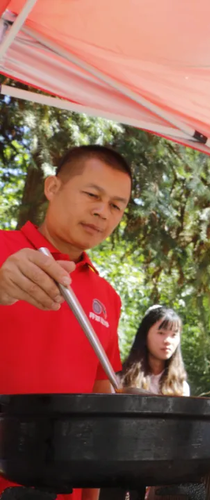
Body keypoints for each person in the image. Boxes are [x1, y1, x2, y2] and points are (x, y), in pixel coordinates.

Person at [0, 145, 132, 500]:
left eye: (116, 205)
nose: (102, 212)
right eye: (93, 194)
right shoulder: (4, 250)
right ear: (52, 188)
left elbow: (99, 404)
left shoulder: (107, 296)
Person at [120, 305, 189, 396]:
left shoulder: (181, 387)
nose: (168, 341)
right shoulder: (121, 379)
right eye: (161, 333)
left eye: (174, 335)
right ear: (145, 335)